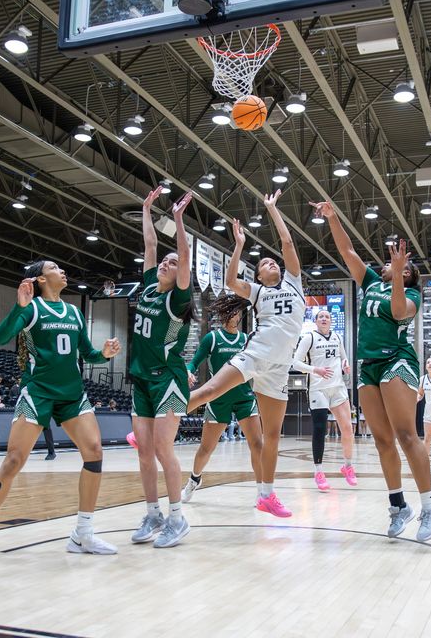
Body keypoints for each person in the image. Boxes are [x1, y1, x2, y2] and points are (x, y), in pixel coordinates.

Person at [0, 260, 121, 559]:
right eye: (55, 267)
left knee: (95, 452)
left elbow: (87, 354)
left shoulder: (75, 312)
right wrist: (18, 307)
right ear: (39, 279)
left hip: (72, 394)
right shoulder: (32, 309)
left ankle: (83, 535)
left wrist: (103, 353)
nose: (63, 270)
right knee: (13, 460)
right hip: (39, 393)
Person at [312, 200, 431, 542]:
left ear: (410, 276)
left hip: (397, 359)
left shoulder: (411, 293)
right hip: (368, 364)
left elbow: (399, 313)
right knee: (382, 440)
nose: (390, 265)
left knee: (406, 435)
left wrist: (399, 274)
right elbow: (348, 250)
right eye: (390, 263)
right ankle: (399, 506)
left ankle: (430, 507)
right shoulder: (369, 281)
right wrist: (333, 217)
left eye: (401, 267)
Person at [188, 190, 306, 519]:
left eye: (274, 262)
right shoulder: (256, 292)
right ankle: (155, 417)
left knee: (271, 437)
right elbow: (229, 280)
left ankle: (266, 495)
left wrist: (272, 209)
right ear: (258, 276)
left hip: (279, 367)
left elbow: (288, 244)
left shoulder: (294, 284)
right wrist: (239, 246)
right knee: (209, 390)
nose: (272, 263)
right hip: (256, 353)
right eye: (265, 263)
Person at [128, 186, 195, 549]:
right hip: (140, 379)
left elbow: (182, 253)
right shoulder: (148, 289)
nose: (167, 264)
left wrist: (180, 220)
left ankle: (177, 517)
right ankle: (152, 513)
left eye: (173, 264)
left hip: (167, 381)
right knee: (143, 452)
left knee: (163, 450)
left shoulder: (177, 298)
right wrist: (146, 210)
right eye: (164, 263)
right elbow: (150, 246)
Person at [181, 296, 263, 504]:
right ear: (221, 315)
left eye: (235, 312)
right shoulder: (212, 338)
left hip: (244, 397)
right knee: (206, 448)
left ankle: (263, 491)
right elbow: (194, 362)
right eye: (228, 312)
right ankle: (194, 479)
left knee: (257, 445)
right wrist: (188, 372)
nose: (232, 315)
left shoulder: (247, 340)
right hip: (218, 400)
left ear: (239, 315)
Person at [292, 309, 356, 491]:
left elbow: (343, 358)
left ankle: (348, 466)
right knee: (320, 430)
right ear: (315, 321)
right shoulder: (309, 338)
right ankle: (318, 471)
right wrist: (315, 370)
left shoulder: (336, 336)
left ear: (330, 320)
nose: (324, 318)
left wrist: (345, 365)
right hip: (318, 388)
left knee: (347, 429)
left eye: (327, 316)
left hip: (337, 388)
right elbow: (295, 363)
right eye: (321, 316)